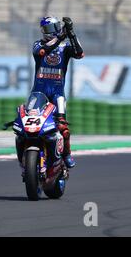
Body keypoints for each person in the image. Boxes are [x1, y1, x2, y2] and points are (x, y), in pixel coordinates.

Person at [17, 16, 84, 171]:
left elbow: (79, 53)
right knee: (26, 125)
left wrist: (71, 33)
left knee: (63, 127)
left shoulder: (65, 47)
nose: (51, 32)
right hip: (39, 92)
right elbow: (43, 51)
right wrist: (60, 36)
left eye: (54, 28)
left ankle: (66, 154)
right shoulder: (38, 45)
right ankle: (24, 157)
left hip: (57, 93)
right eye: (47, 29)